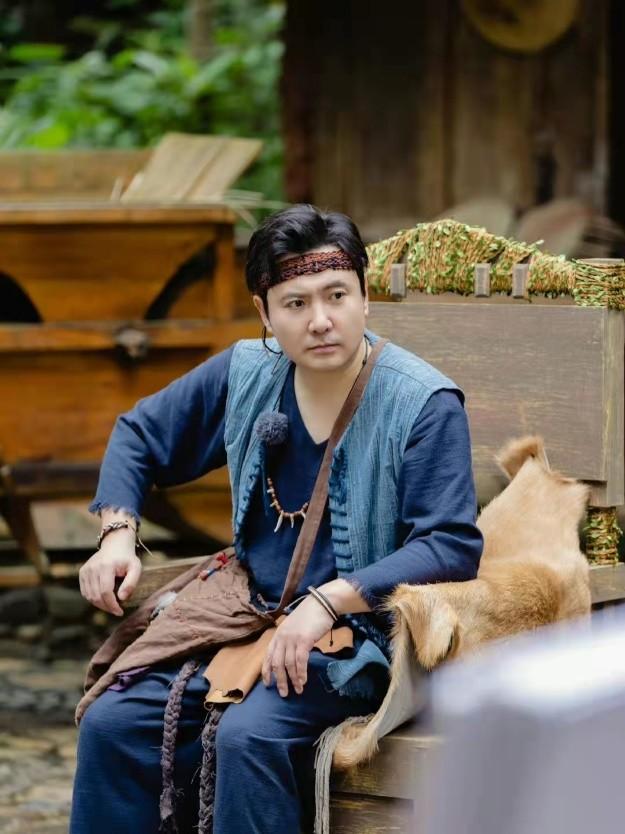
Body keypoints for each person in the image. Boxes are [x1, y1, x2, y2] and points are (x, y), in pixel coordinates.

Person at [70, 204, 483, 834]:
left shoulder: (422, 402)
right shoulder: (246, 374)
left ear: (365, 297)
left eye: (337, 295)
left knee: (248, 737)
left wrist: (327, 601)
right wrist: (117, 535)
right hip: (245, 616)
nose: (320, 320)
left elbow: (450, 543)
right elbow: (140, 435)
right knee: (114, 723)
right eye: (295, 303)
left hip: (362, 642)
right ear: (264, 312)